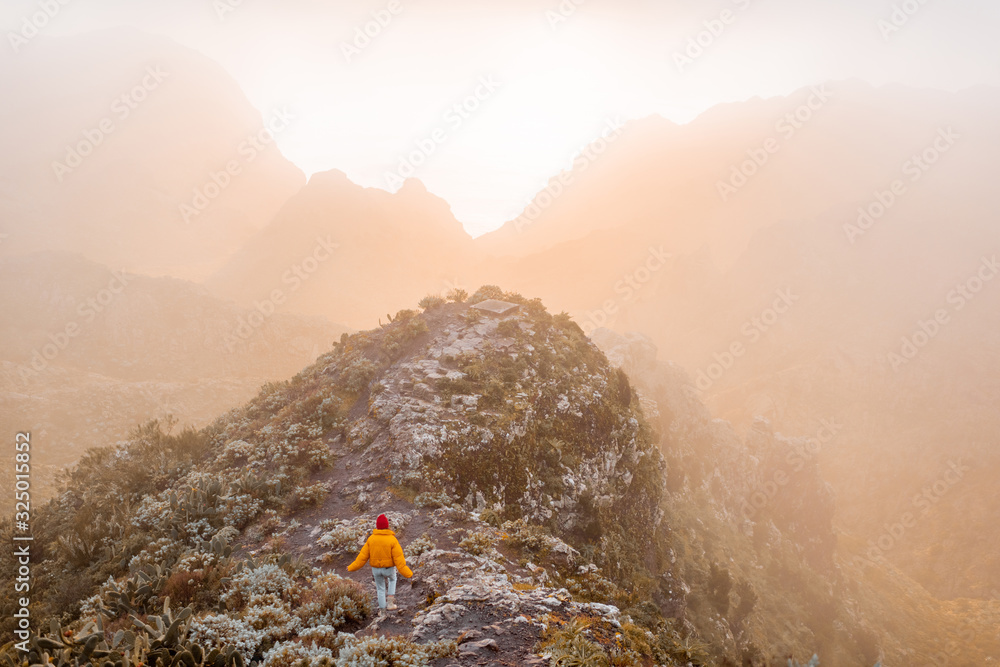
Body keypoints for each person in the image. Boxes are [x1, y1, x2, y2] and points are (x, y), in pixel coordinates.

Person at [347, 513, 413, 617]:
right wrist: (408, 573)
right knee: (392, 579)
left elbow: (362, 557)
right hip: (388, 568)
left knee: (380, 589)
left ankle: (382, 612)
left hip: (376, 570)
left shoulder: (371, 539)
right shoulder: (392, 539)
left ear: (377, 526)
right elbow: (399, 559)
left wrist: (351, 567)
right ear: (387, 526)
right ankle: (390, 603)